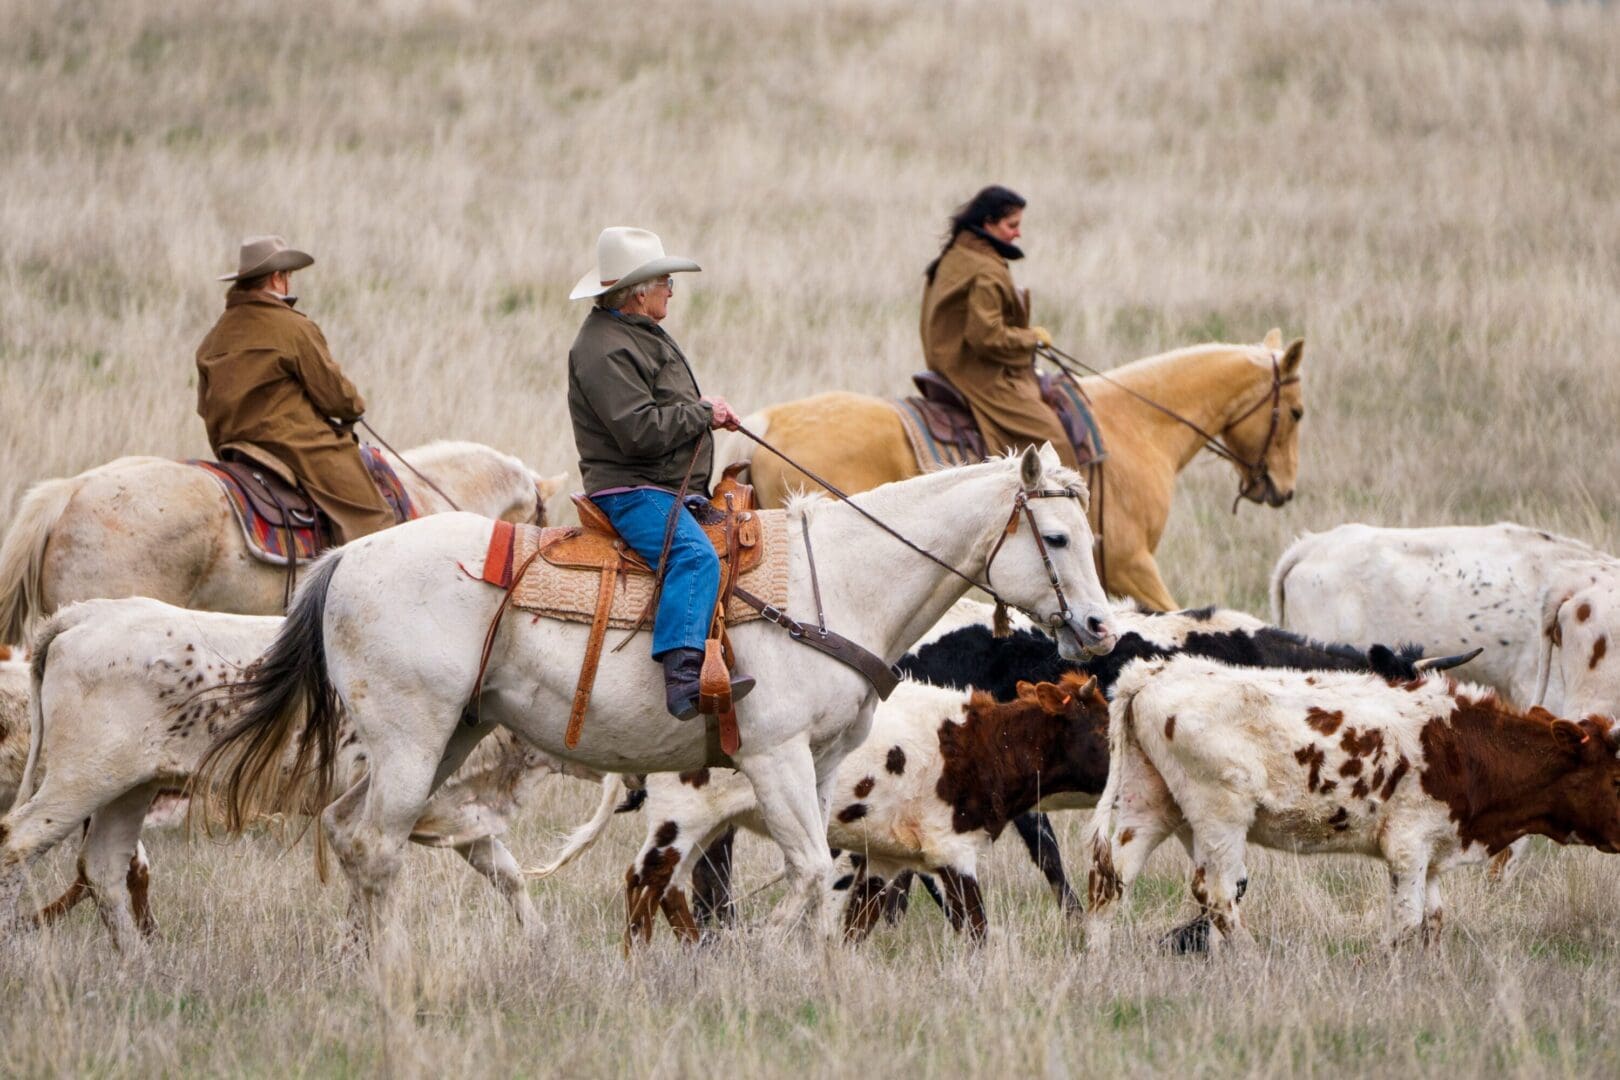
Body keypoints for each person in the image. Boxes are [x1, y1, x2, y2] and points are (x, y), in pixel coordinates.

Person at [566, 226, 754, 720]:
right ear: (638, 291)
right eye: (665, 281)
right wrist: (701, 414)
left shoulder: (631, 333)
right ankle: (685, 680)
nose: (671, 289)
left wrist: (703, 408)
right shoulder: (604, 348)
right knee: (693, 557)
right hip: (631, 490)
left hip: (663, 486)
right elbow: (638, 432)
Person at [195, 235, 395, 544]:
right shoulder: (293, 327)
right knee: (373, 518)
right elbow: (335, 396)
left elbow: (205, 408)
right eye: (288, 275)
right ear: (277, 279)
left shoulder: (214, 337)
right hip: (291, 445)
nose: (288, 281)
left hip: (233, 446)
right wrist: (355, 406)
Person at [919, 186, 1078, 468]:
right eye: (1012, 225)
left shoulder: (959, 252)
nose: (1018, 233)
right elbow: (986, 336)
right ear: (987, 223)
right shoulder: (986, 269)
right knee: (1053, 442)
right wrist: (1031, 338)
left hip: (946, 360)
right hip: (972, 369)